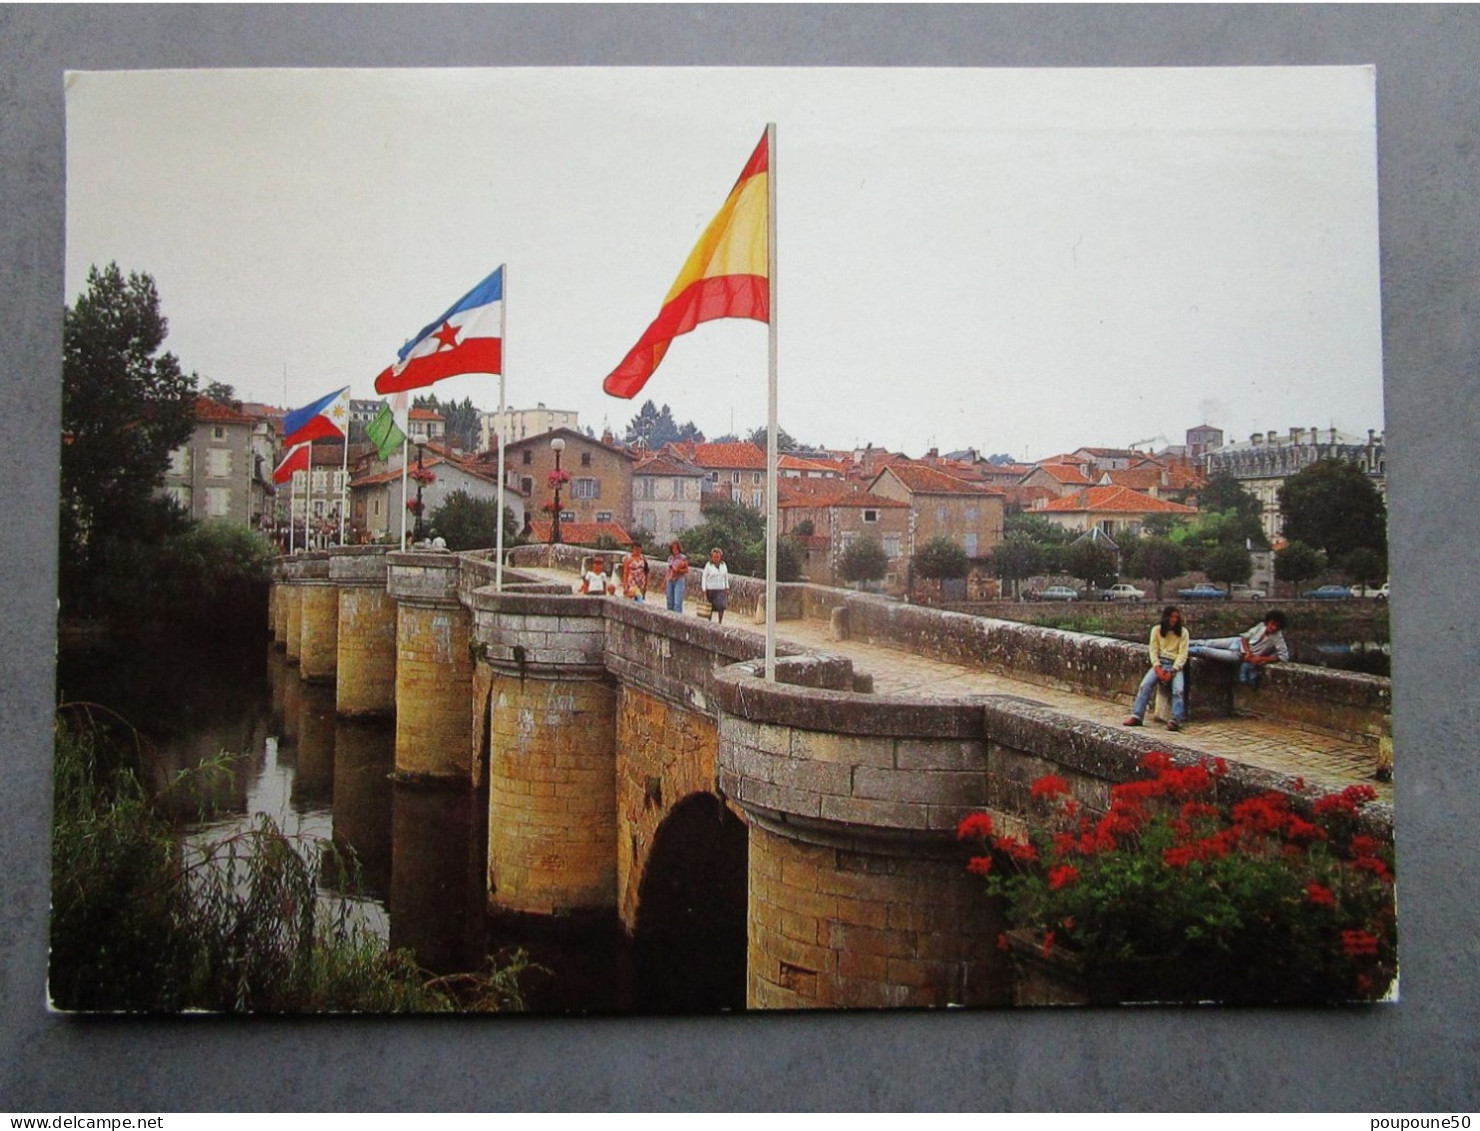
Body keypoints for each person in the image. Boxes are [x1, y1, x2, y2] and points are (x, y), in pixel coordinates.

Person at [1123, 605, 1189, 732]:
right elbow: (1153, 651)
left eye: (1176, 617)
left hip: (1175, 664)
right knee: (1145, 685)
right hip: (1160, 662)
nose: (1174, 620)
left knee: (1178, 690)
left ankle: (1176, 720)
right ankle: (1137, 716)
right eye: (1172, 617)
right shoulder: (1156, 630)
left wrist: (1173, 670)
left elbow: (1183, 654)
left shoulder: (1183, 633)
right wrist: (1158, 667)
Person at [1189, 609, 1290, 687]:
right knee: (1206, 642)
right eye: (1272, 624)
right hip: (1237, 643)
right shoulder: (1261, 626)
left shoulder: (1278, 638)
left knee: (1203, 651)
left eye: (1276, 626)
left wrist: (1260, 658)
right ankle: (1180, 643)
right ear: (1267, 622)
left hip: (1238, 655)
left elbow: (1284, 656)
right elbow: (1245, 636)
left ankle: (1180, 651)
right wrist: (1248, 651)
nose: (1273, 628)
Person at [701, 547, 730, 624]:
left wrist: (727, 587)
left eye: (718, 557)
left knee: (721, 606)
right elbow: (704, 577)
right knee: (710, 607)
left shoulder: (723, 565)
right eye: (714, 557)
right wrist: (704, 589)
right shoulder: (708, 565)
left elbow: (726, 577)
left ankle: (720, 621)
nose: (716, 558)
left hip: (721, 588)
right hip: (711, 589)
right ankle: (709, 621)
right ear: (712, 557)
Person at [665, 540, 690, 613]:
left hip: (678, 580)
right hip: (670, 579)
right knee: (669, 601)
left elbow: (686, 570)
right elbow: (668, 571)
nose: (675, 550)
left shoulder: (683, 558)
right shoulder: (670, 558)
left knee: (677, 602)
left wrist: (678, 570)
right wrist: (664, 582)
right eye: (673, 549)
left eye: (676, 549)